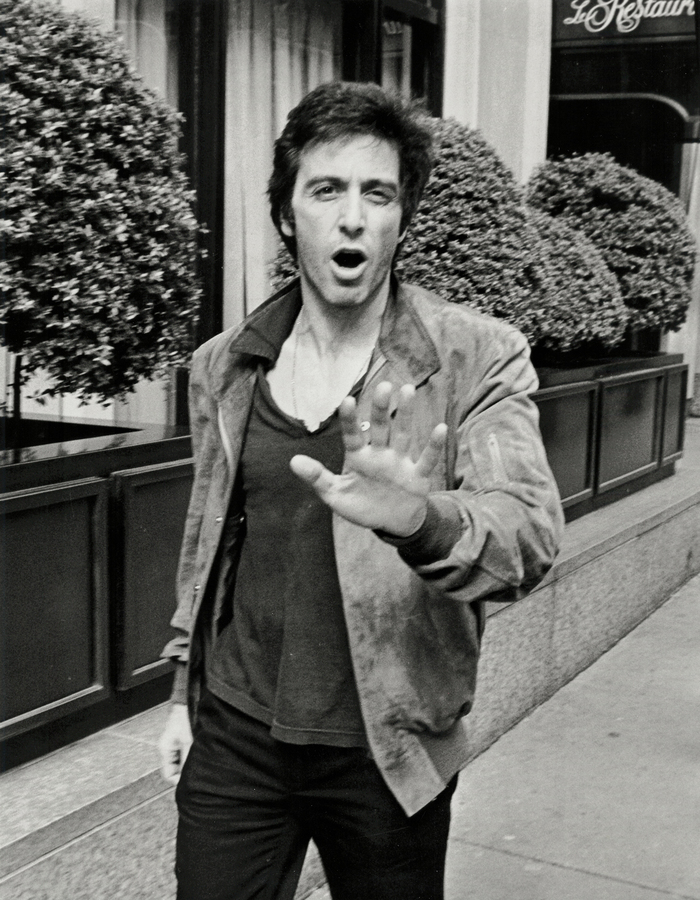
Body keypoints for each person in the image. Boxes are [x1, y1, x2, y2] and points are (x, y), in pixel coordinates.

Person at [159, 81, 564, 900]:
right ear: (287, 214)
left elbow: (528, 535)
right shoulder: (226, 364)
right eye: (326, 190)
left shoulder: (476, 356)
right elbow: (212, 538)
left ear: (401, 219)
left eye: (377, 194)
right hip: (237, 735)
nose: (352, 217)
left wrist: (419, 519)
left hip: (389, 748)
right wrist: (181, 693)